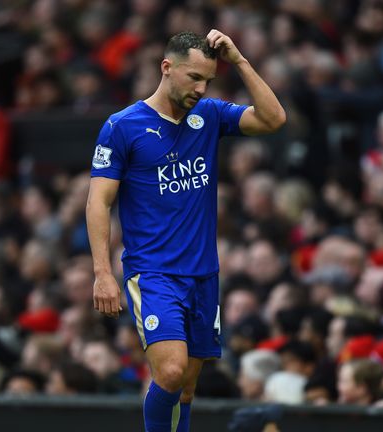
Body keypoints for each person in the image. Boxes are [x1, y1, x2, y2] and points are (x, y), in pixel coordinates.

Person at [86, 30, 285, 432]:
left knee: (189, 387)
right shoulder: (123, 126)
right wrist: (103, 273)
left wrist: (240, 61)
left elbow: (273, 119)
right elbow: (98, 202)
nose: (200, 87)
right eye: (193, 77)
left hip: (203, 274)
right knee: (172, 373)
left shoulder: (208, 115)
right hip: (154, 273)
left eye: (208, 80)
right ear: (167, 68)